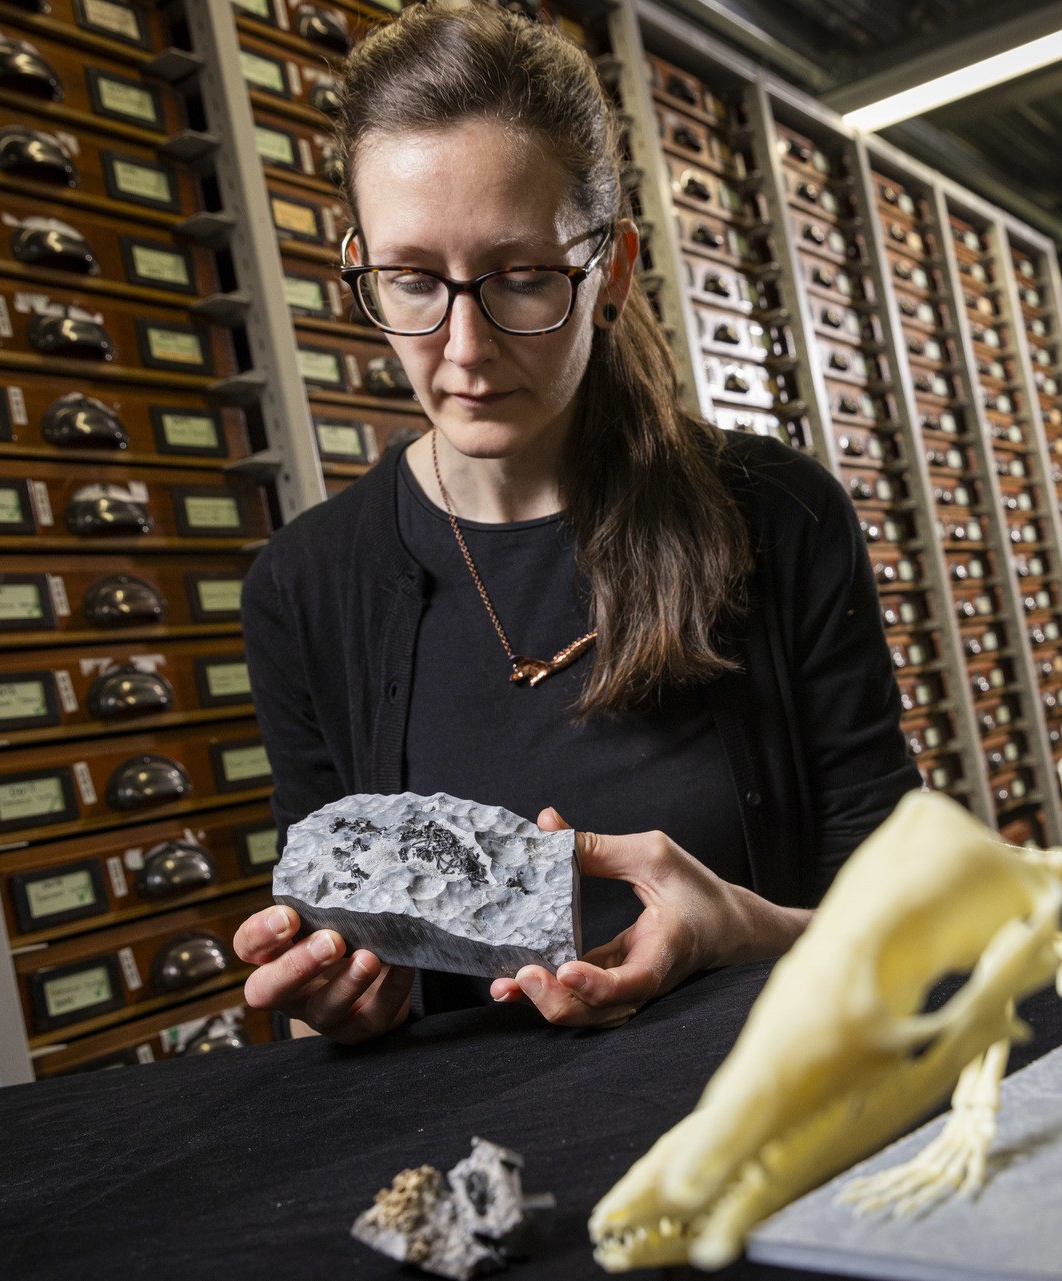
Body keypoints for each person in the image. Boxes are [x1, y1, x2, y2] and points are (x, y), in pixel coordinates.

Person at [230, 0, 915, 1042]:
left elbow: (910, 922)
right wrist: (341, 1001)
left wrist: (750, 930)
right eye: (412, 281)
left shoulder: (778, 516)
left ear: (613, 270)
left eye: (522, 278)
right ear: (360, 266)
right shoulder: (302, 588)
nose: (463, 345)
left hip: (769, 1114)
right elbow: (339, 941)